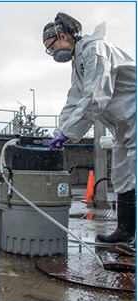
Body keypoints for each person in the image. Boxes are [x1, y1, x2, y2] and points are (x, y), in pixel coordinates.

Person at [42, 12, 136, 247]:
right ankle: (125, 232)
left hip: (134, 119)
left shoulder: (96, 50)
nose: (52, 53)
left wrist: (70, 133)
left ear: (63, 36)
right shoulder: (79, 59)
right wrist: (58, 133)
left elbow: (96, 97)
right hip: (124, 129)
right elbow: (74, 99)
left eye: (51, 47)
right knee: (124, 177)